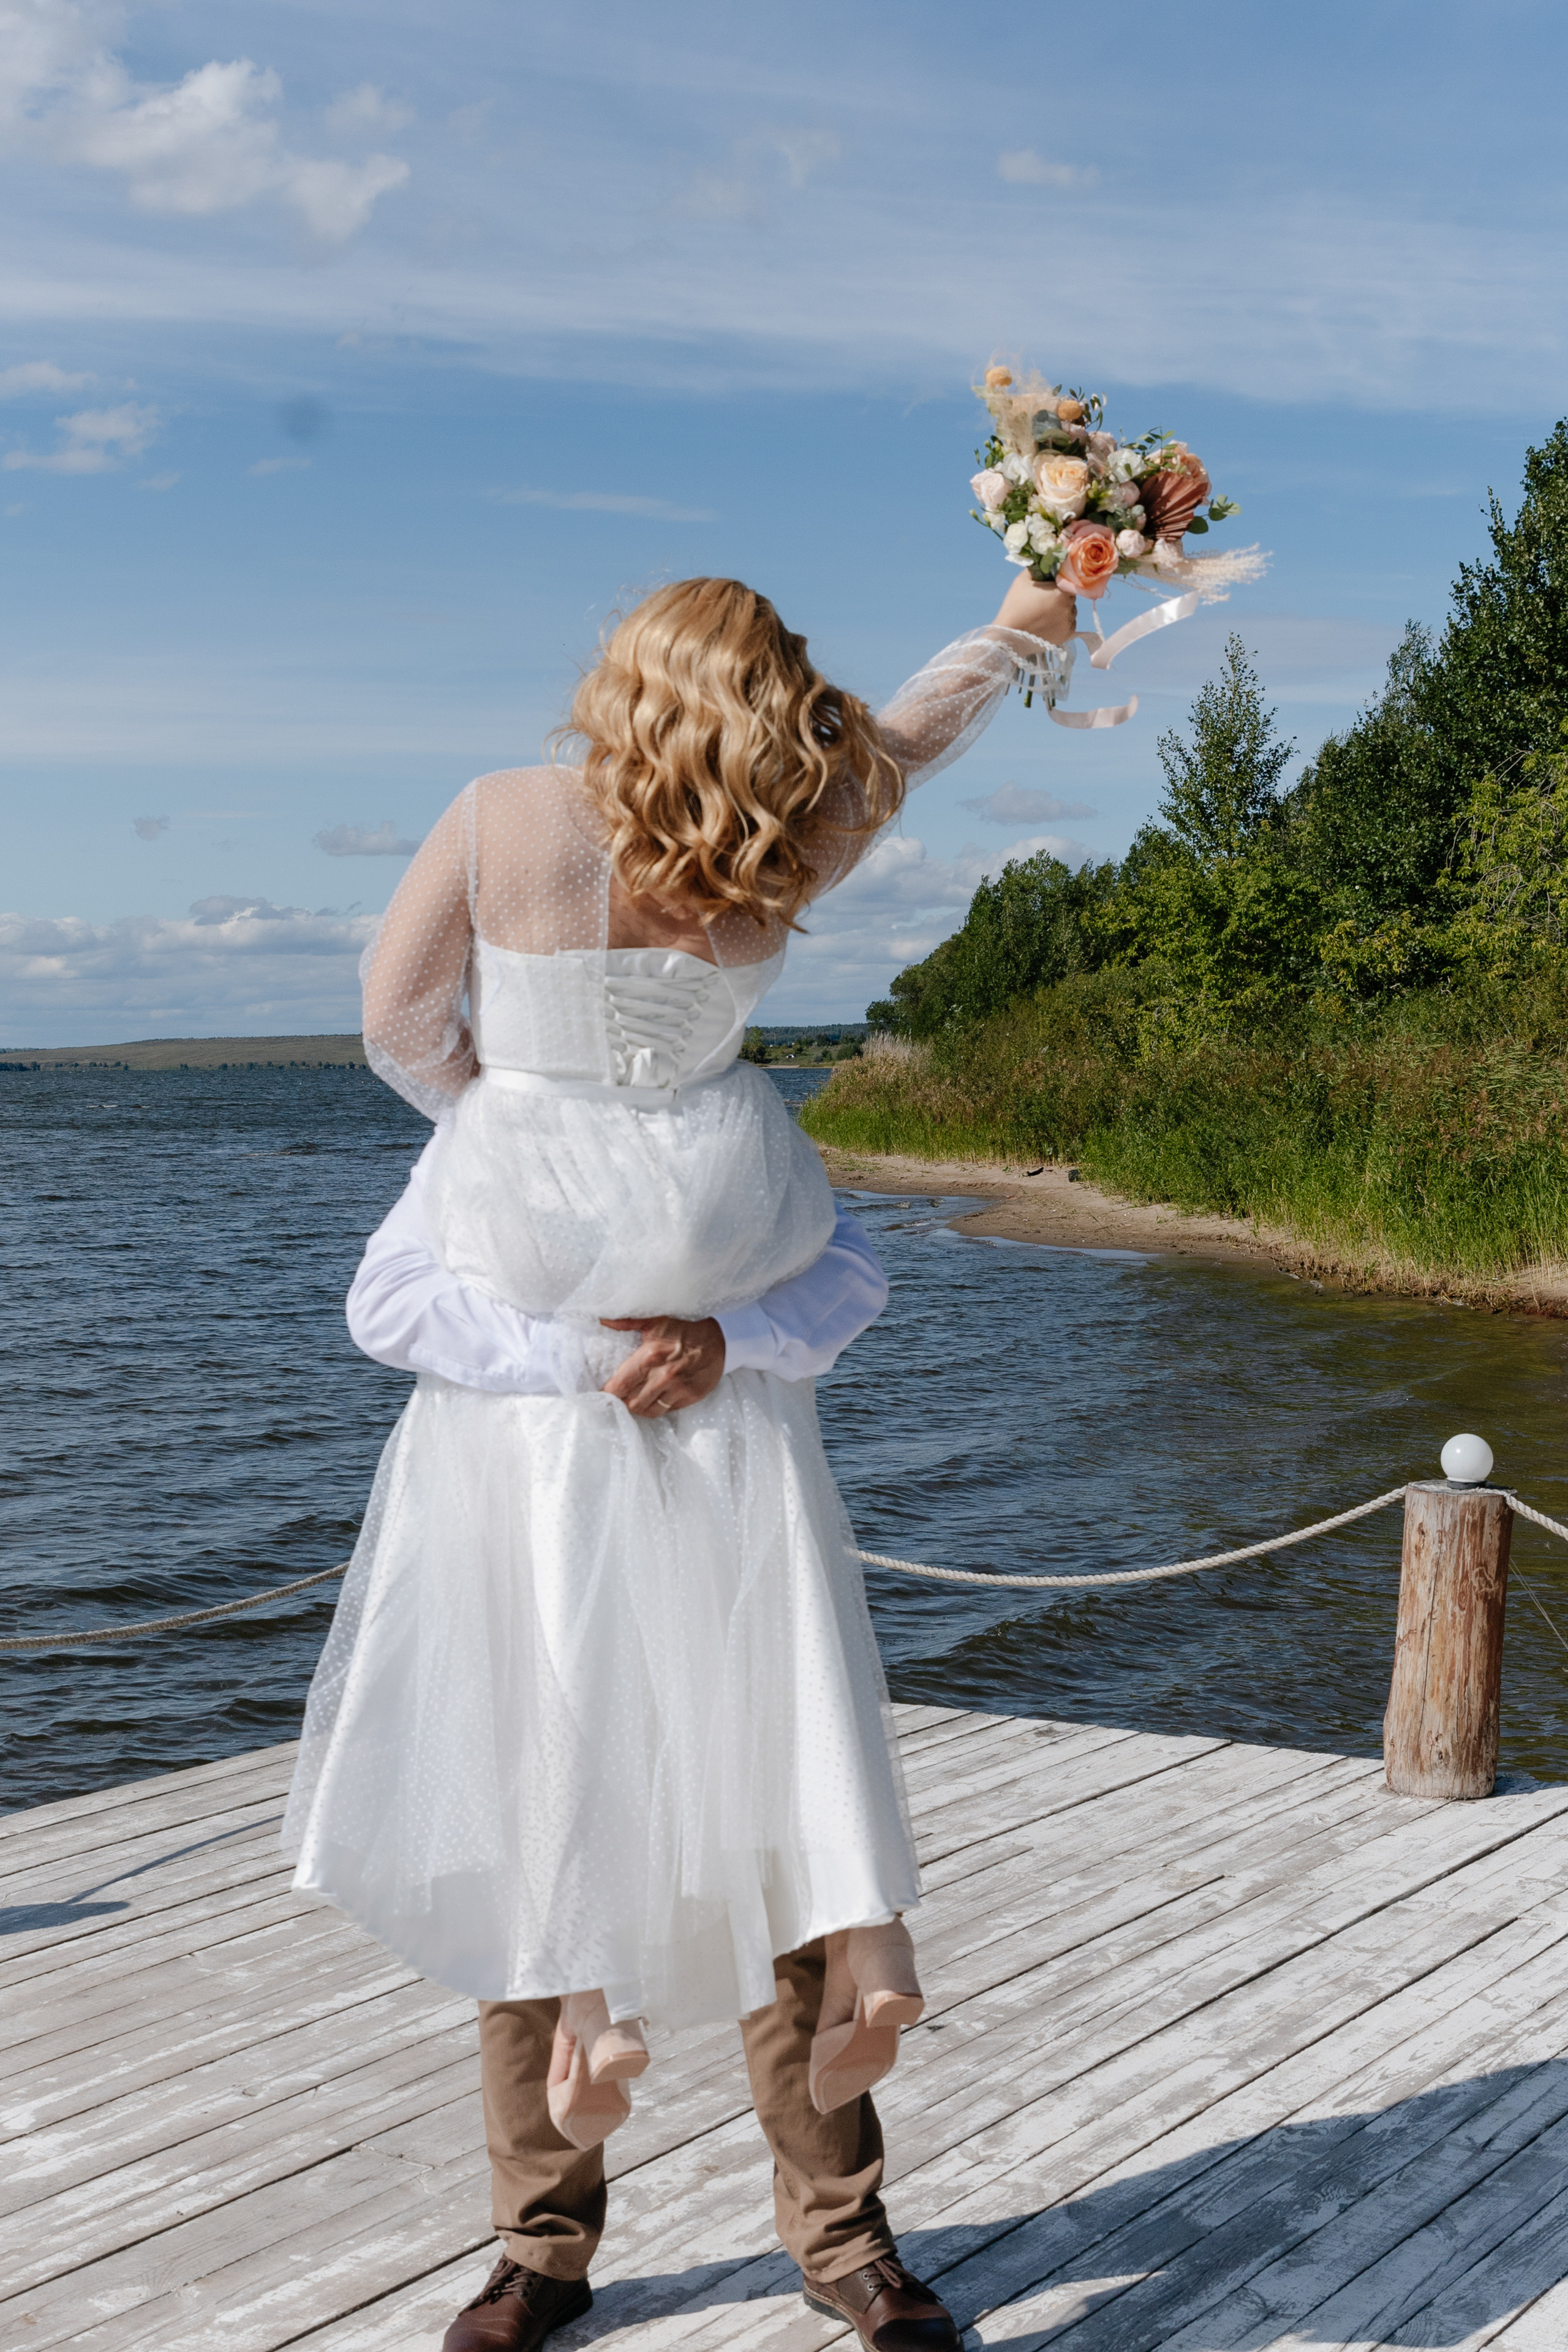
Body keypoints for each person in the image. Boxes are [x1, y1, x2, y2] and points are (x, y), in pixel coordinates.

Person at [282, 568, 1076, 2352]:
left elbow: (398, 1028)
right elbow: (923, 729)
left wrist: (524, 1135)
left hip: (632, 1426)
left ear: (620, 678)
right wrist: (1035, 604)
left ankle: (599, 2247)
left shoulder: (498, 817)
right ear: (766, 693)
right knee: (626, 1806)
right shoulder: (796, 824)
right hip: (608, 1418)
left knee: (701, 1800)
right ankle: (752, 2243)